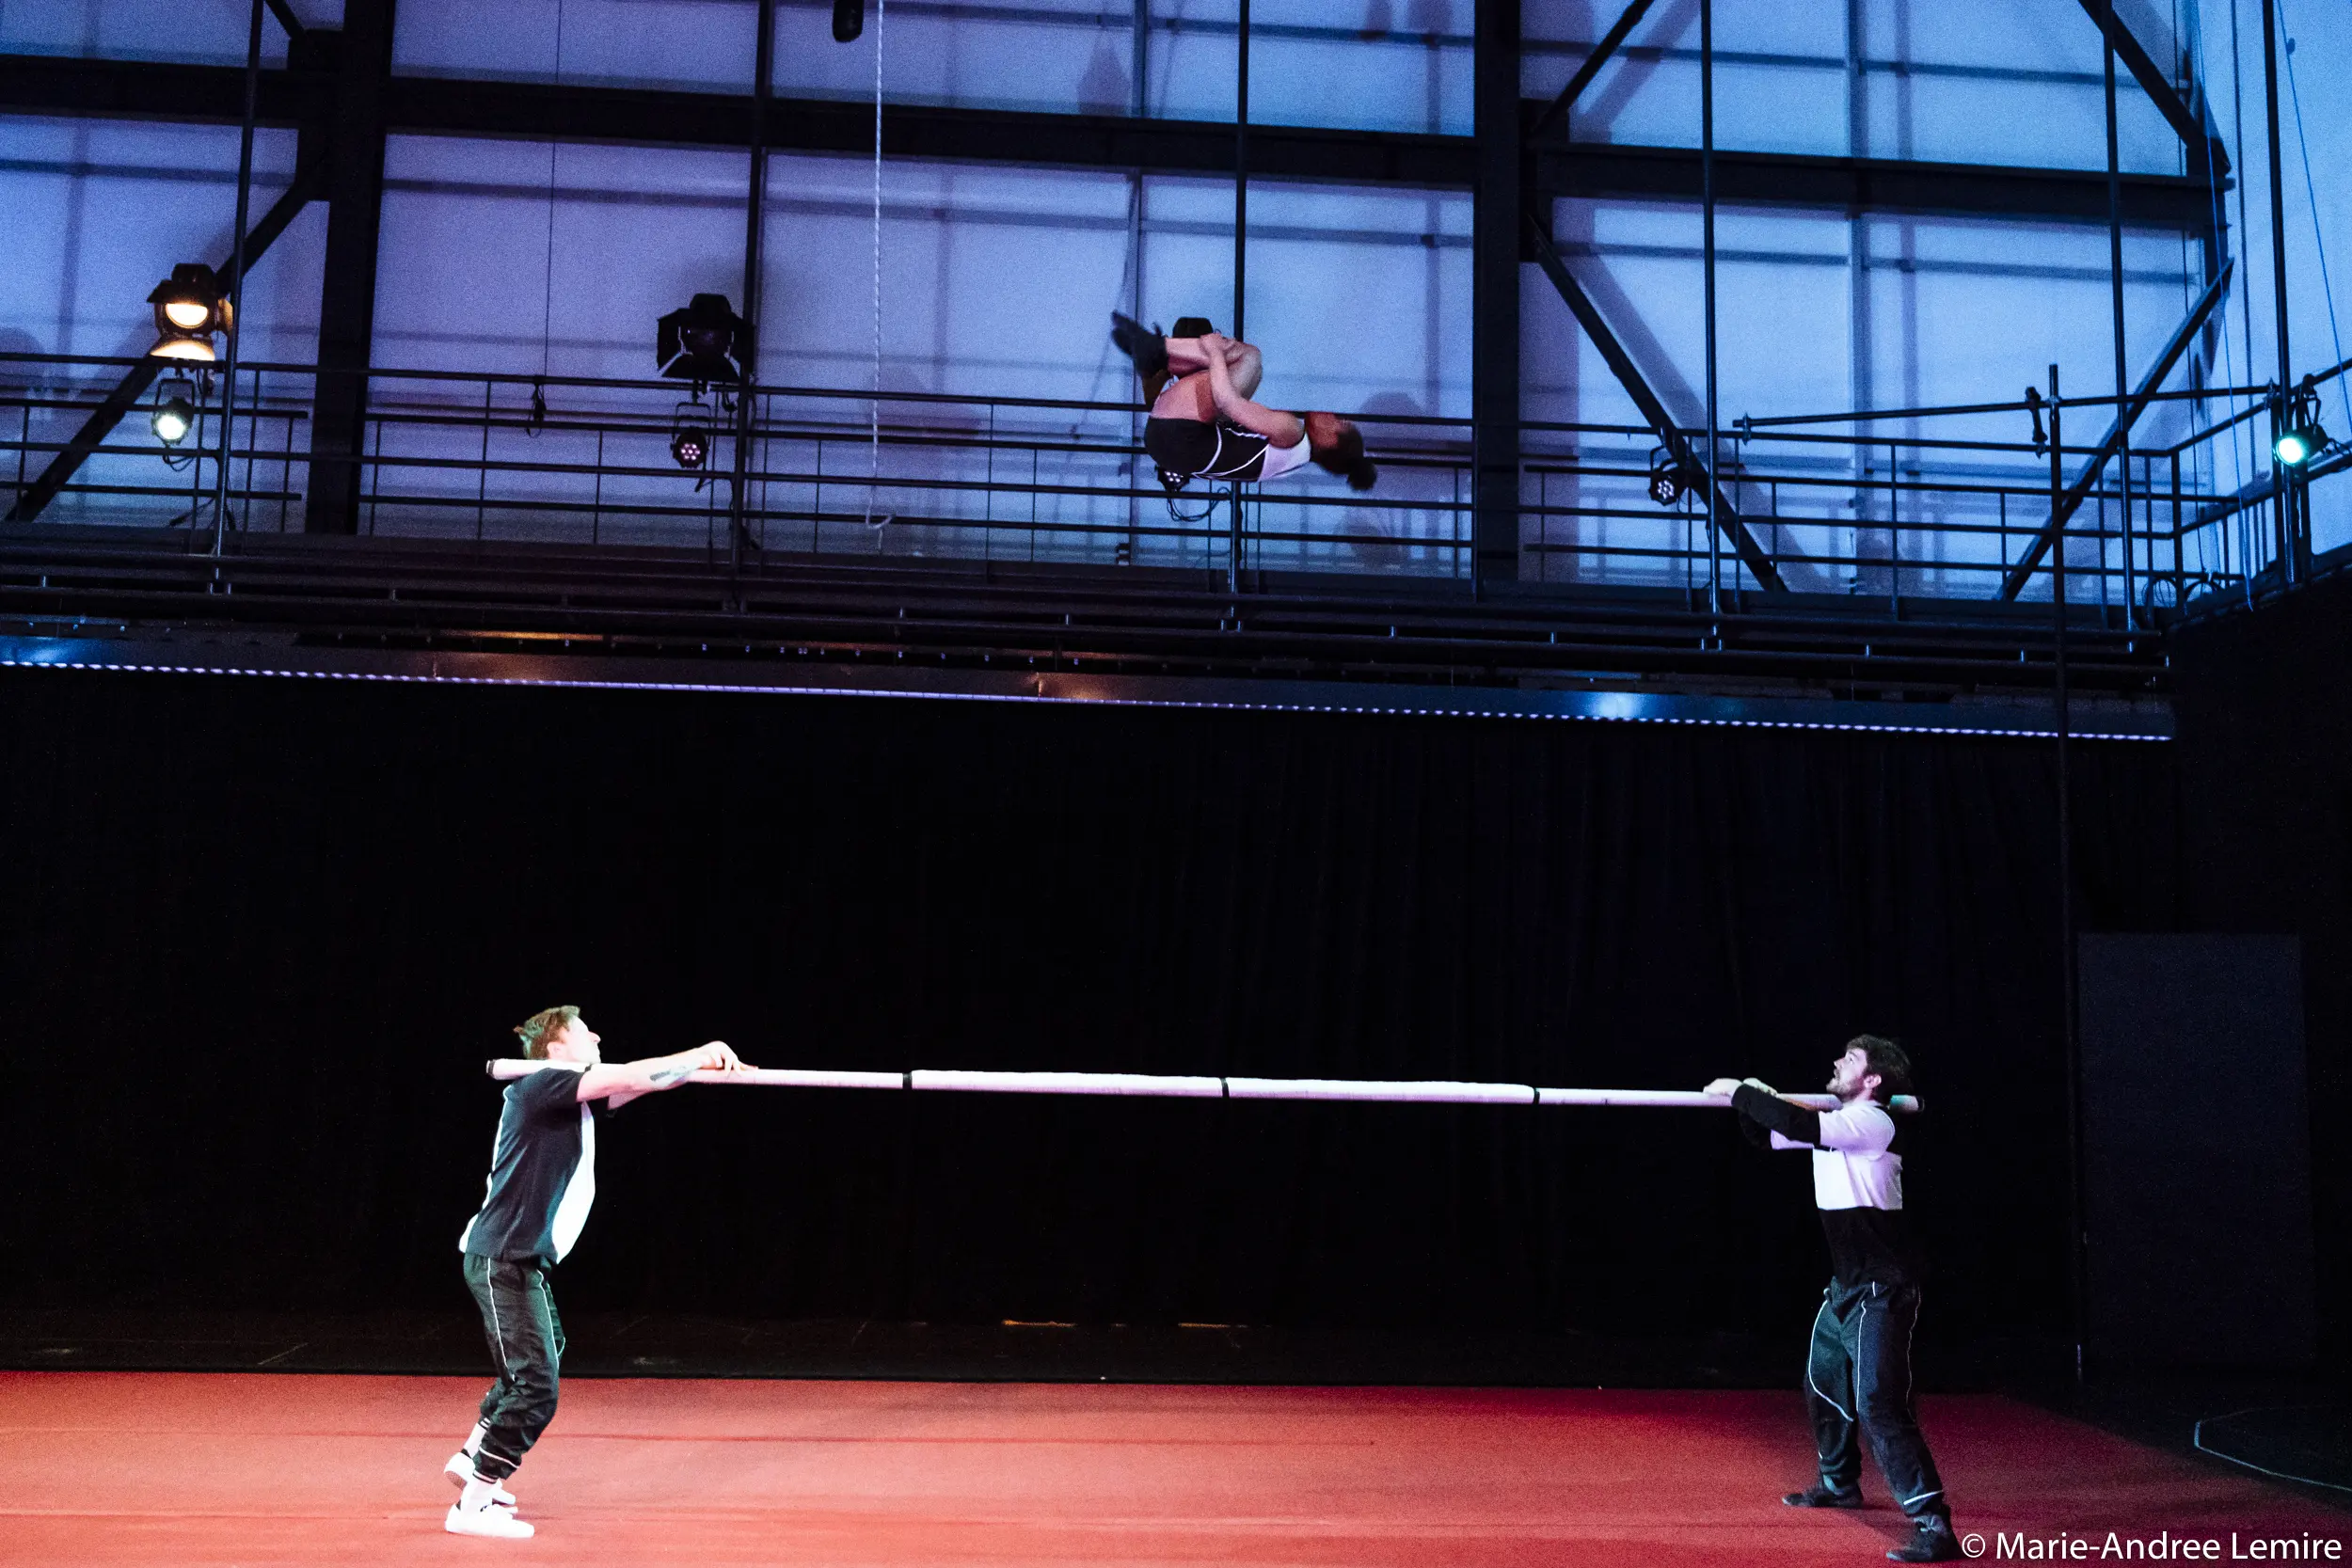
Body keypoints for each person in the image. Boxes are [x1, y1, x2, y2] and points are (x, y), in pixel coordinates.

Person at [442, 1006, 753, 1539]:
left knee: (545, 1354)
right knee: (537, 1385)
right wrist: (702, 1050)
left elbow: (644, 1084)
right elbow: (635, 1074)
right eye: (586, 1032)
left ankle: (476, 1453)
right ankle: (474, 1501)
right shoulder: (544, 1083)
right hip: (501, 1258)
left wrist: (696, 1068)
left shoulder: (565, 1096)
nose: (599, 1035)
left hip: (517, 1259)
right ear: (558, 1049)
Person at [1705, 1038, 1961, 1565]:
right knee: (1822, 1382)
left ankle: (1933, 1524)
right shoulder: (1837, 1127)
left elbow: (1796, 1125)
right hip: (1846, 1284)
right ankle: (1839, 1483)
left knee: (1877, 1404)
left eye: (1852, 1059)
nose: (1838, 1062)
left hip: (1882, 1289)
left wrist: (1746, 1090)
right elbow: (1768, 1135)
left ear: (1873, 1082)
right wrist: (1752, 1102)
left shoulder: (1870, 1123)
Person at [1109, 312, 1377, 493]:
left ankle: (1159, 351)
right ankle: (1158, 354)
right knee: (1247, 368)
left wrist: (1215, 352)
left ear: (1331, 440)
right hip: (1170, 444)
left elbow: (1228, 403)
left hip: (1178, 433)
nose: (1332, 414)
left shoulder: (1291, 432)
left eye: (1339, 422)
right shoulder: (1293, 458)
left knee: (1249, 358)